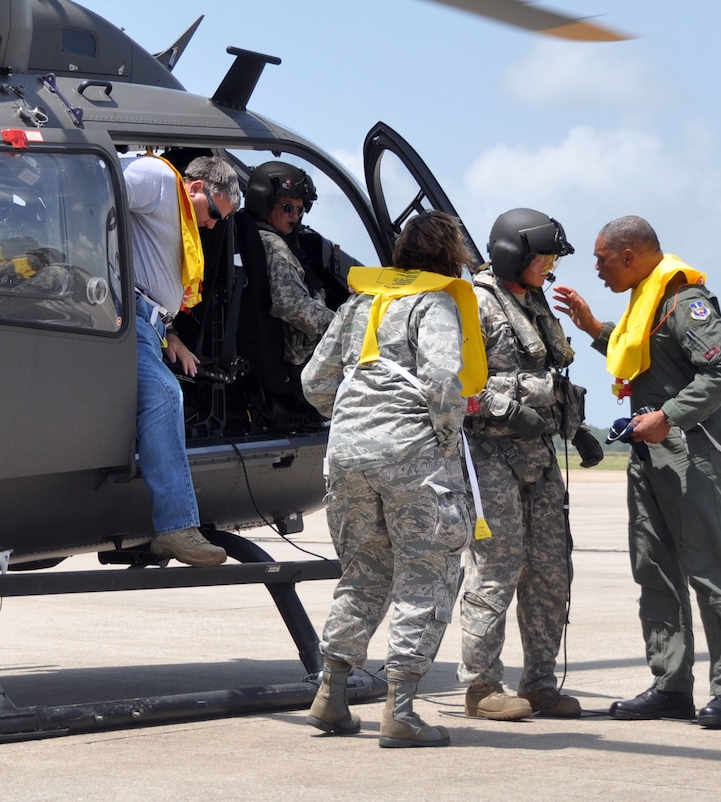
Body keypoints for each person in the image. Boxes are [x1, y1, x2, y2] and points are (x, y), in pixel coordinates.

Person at [552, 215, 721, 729]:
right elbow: (644, 360)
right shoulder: (646, 301)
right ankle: (670, 686)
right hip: (650, 458)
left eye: (600, 259)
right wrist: (595, 328)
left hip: (691, 455)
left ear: (628, 256)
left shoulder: (685, 301)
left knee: (711, 574)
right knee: (655, 572)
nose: (595, 268)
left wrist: (670, 416)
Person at [301, 210, 487, 748]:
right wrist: (448, 438)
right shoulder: (436, 302)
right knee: (425, 576)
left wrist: (357, 416)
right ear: (449, 255)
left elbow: (315, 382)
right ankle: (401, 711)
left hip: (347, 457)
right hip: (413, 457)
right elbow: (442, 377)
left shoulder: (361, 302)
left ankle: (331, 695)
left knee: (362, 574)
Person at [458, 208, 602, 722]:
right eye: (542, 257)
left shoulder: (534, 300)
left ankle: (539, 681)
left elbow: (546, 371)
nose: (549, 266)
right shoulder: (470, 304)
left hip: (539, 455)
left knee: (550, 567)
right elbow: (454, 384)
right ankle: (481, 686)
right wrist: (511, 406)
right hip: (488, 453)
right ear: (513, 255)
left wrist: (577, 427)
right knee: (495, 567)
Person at [123, 154, 241, 567]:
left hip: (151, 324)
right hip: (126, 314)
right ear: (195, 188)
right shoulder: (156, 178)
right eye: (212, 213)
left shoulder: (173, 205)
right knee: (164, 396)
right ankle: (175, 528)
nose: (211, 225)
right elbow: (97, 198)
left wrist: (169, 333)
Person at [244, 161, 334, 367]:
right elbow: (289, 303)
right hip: (302, 359)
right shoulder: (273, 245)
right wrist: (340, 325)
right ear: (265, 203)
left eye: (300, 210)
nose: (295, 216)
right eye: (288, 208)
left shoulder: (260, 236)